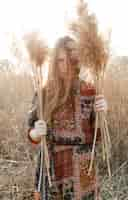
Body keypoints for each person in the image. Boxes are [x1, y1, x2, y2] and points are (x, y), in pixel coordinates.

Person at [27, 36, 107, 200]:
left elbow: (98, 138)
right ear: (54, 62)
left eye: (71, 60)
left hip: (82, 169)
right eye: (61, 60)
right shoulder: (44, 93)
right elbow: (31, 134)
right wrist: (35, 132)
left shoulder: (91, 91)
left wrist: (103, 114)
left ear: (78, 60)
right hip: (52, 168)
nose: (66, 66)